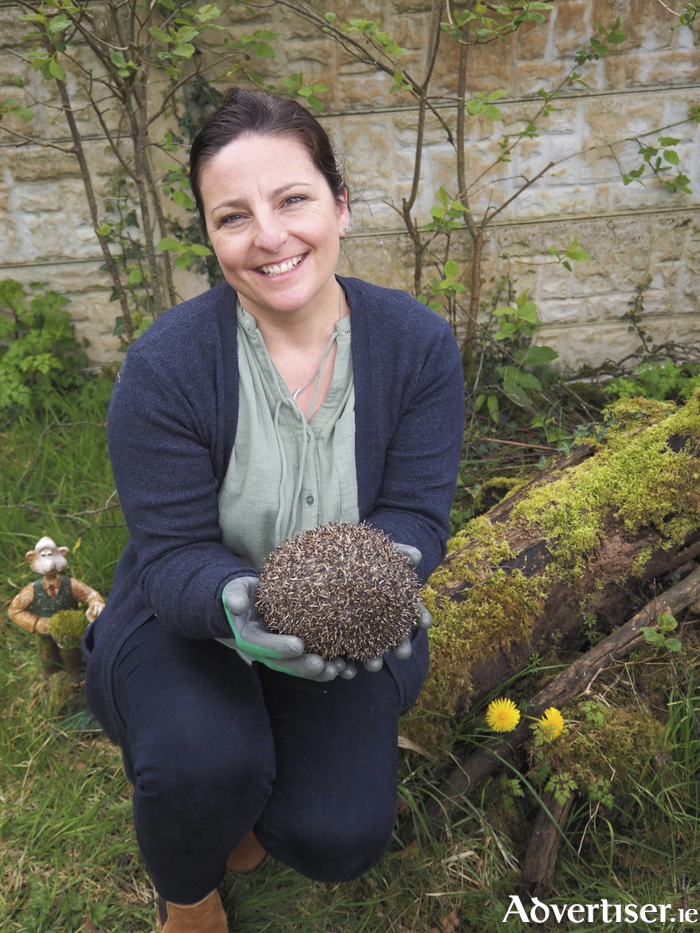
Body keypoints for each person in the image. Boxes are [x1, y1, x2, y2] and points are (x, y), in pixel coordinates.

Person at [83, 86, 465, 932]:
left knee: (338, 835)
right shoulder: (165, 368)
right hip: (187, 612)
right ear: (212, 236)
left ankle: (254, 794)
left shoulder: (419, 347)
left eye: (292, 198)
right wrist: (243, 605)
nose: (269, 236)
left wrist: (378, 579)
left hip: (341, 623)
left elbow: (415, 513)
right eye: (233, 216)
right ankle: (188, 890)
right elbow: (173, 551)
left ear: (341, 205)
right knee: (200, 764)